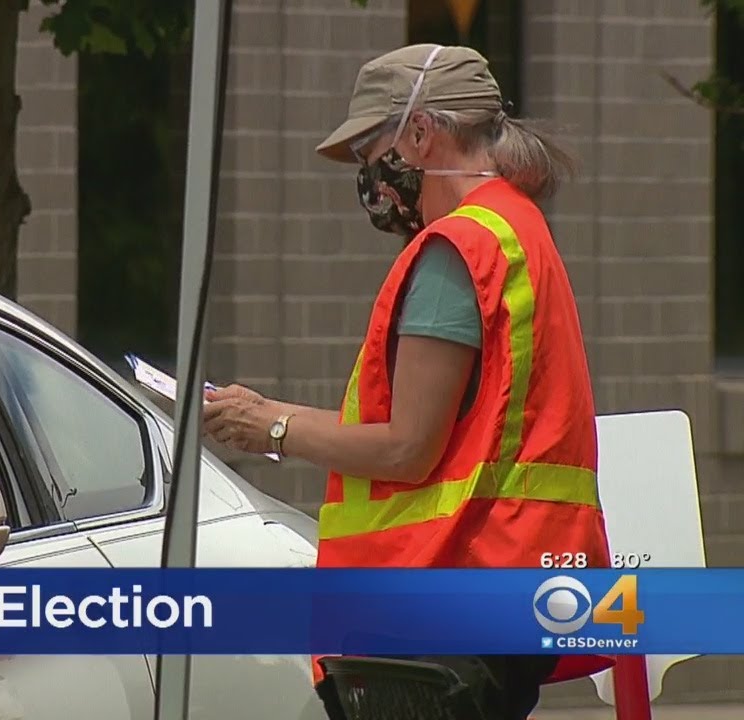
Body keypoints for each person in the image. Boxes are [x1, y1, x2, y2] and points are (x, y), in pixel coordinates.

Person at [201, 43, 612, 719]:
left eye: (369, 151)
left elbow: (406, 449)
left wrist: (272, 429)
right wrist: (265, 410)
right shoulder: (514, 228)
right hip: (504, 589)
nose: (368, 176)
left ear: (419, 133)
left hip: (444, 602)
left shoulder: (458, 252)